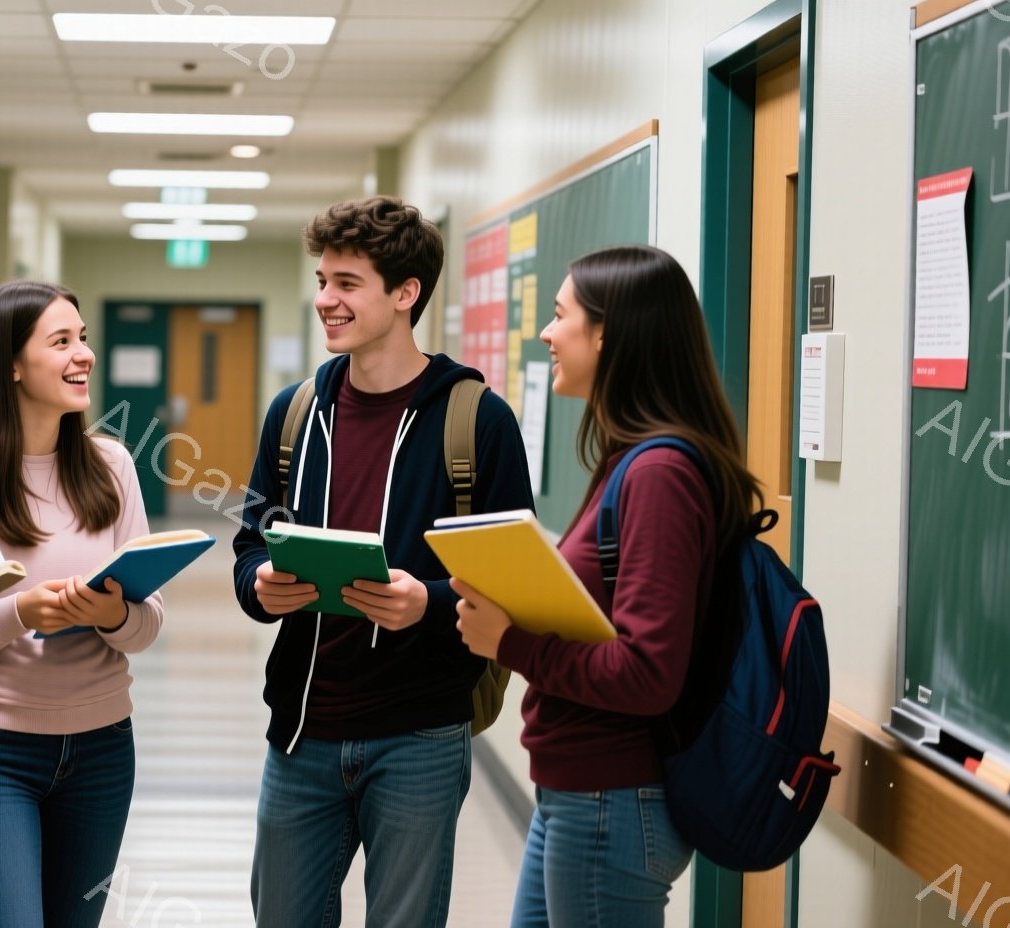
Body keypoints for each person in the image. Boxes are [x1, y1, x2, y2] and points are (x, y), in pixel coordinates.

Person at [230, 195, 535, 926]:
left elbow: (513, 585)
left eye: (347, 284)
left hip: (421, 734)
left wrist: (426, 602)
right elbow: (251, 539)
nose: (325, 301)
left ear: (405, 295)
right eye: (322, 280)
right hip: (303, 728)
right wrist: (258, 586)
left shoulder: (476, 420)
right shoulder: (296, 412)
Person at [452, 244, 764, 927]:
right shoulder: (631, 460)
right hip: (581, 794)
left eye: (561, 316)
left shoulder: (659, 476)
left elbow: (648, 672)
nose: (546, 334)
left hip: (612, 801)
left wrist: (512, 643)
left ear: (608, 334)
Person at [0, 280, 163, 928]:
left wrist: (113, 616)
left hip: (102, 752)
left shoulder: (113, 467)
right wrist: (19, 614)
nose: (85, 356)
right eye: (62, 341)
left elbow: (149, 623)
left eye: (84, 339)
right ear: (10, 364)